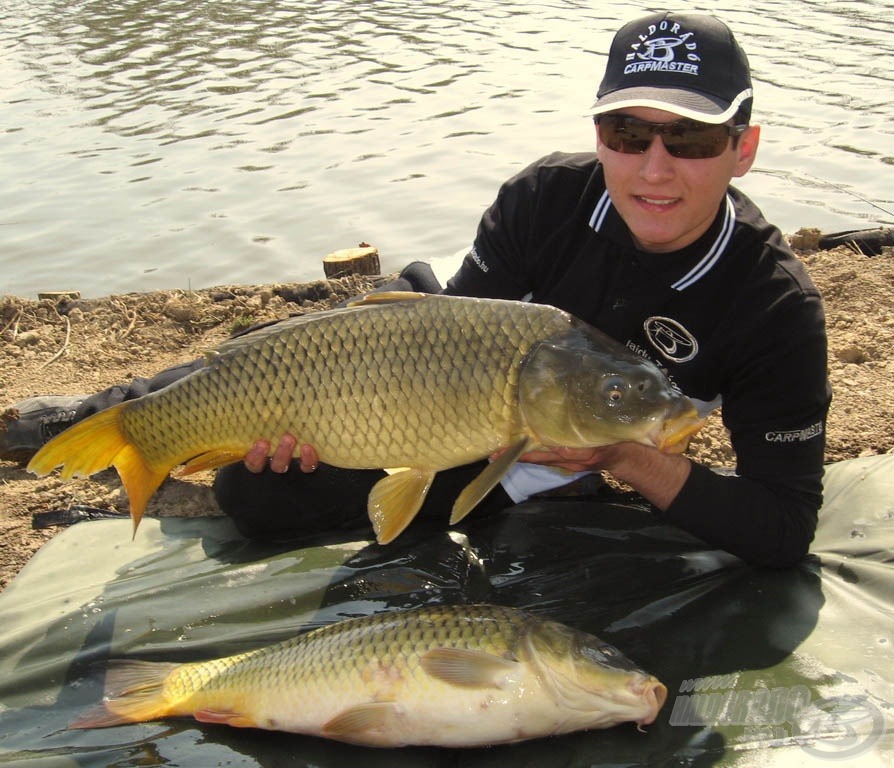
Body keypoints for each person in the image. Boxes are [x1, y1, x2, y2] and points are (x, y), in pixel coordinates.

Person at [1, 12, 830, 568]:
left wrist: (621, 456)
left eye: (690, 139)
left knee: (250, 498)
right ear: (600, 134)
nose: (654, 167)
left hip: (550, 440)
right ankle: (93, 419)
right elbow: (434, 345)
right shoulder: (545, 197)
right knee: (265, 470)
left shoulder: (774, 306)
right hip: (462, 412)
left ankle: (119, 429)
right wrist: (335, 419)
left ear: (744, 147)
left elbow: (784, 529)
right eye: (628, 132)